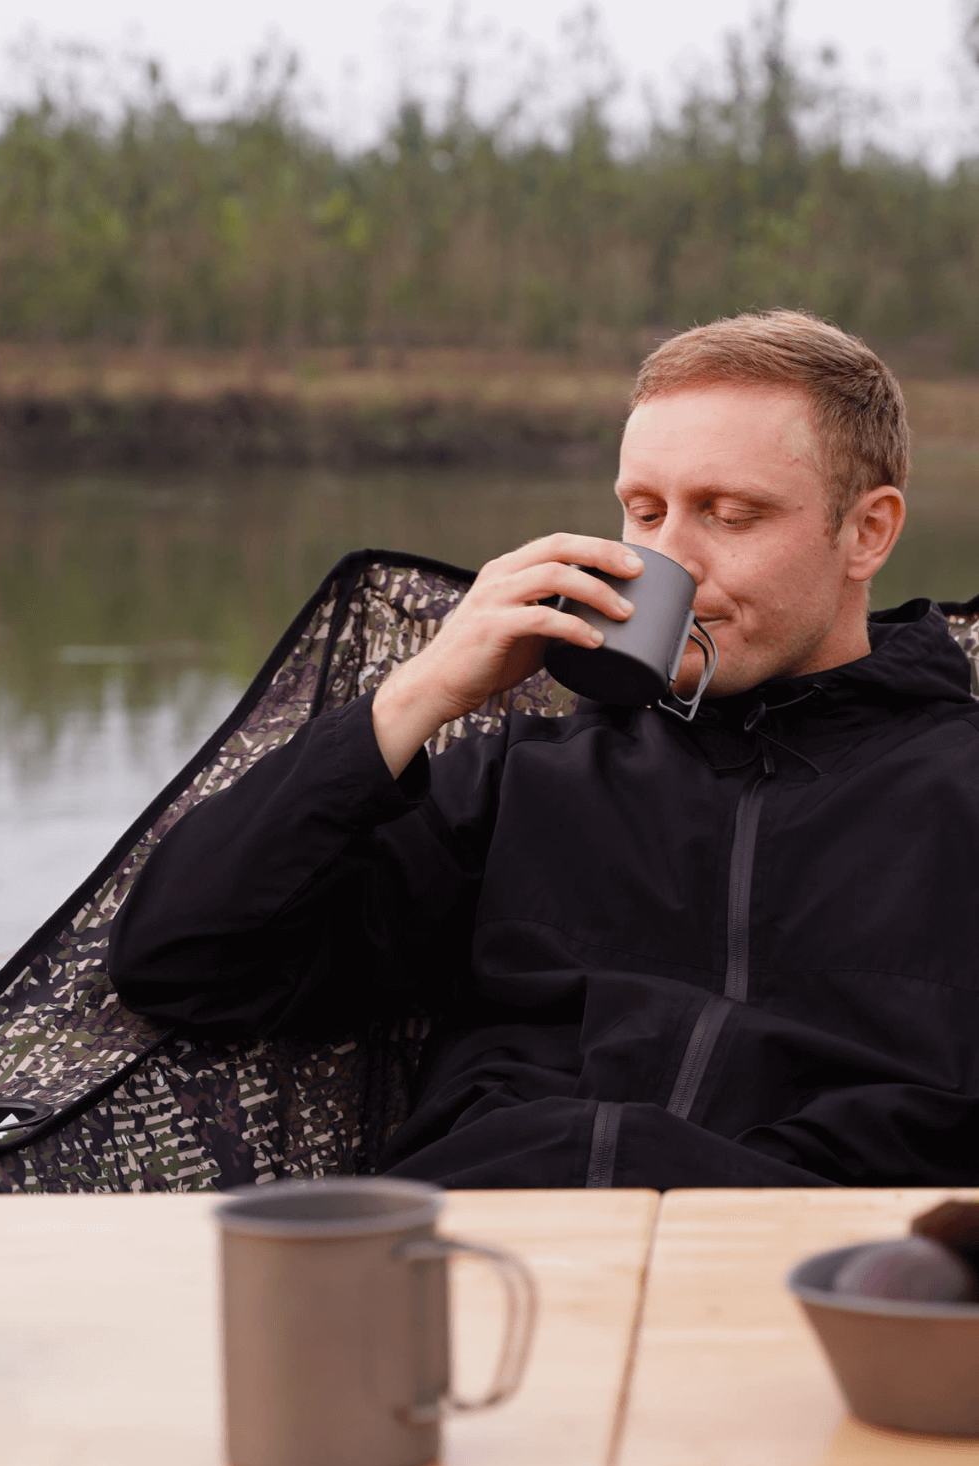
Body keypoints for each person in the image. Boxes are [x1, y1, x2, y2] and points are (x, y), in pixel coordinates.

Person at [107, 310, 979, 1190]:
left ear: (867, 532)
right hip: (495, 1245)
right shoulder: (520, 781)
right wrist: (423, 690)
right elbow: (183, 966)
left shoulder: (960, 790)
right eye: (644, 511)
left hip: (822, 1274)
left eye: (731, 514)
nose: (666, 560)